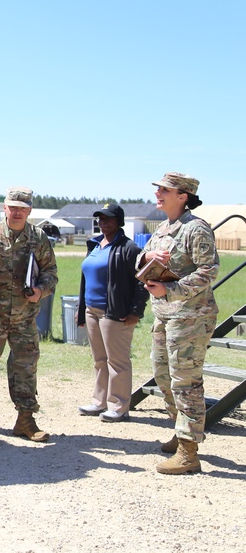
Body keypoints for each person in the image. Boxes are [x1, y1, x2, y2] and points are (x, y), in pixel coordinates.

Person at [140, 172, 219, 475]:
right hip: (165, 313)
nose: (158, 193)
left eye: (165, 190)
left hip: (191, 315)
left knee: (185, 380)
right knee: (161, 373)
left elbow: (209, 270)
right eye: (158, 189)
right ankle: (180, 428)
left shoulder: (195, 228)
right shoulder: (164, 227)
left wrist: (171, 290)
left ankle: (189, 451)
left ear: (183, 196)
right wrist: (147, 256)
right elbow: (148, 259)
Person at [0, 187, 58, 442]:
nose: (18, 212)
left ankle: (25, 420)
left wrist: (40, 290)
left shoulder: (39, 238)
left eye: (23, 208)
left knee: (26, 367)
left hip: (24, 318)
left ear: (30, 210)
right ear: (5, 208)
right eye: (13, 207)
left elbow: (50, 272)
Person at [76, 204, 149, 422]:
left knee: (117, 361)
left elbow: (142, 281)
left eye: (108, 218)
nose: (103, 222)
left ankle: (119, 406)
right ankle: (99, 402)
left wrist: (136, 311)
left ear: (119, 221)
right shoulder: (95, 244)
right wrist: (82, 312)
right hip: (92, 310)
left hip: (113, 312)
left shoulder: (129, 248)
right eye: (100, 218)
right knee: (99, 359)